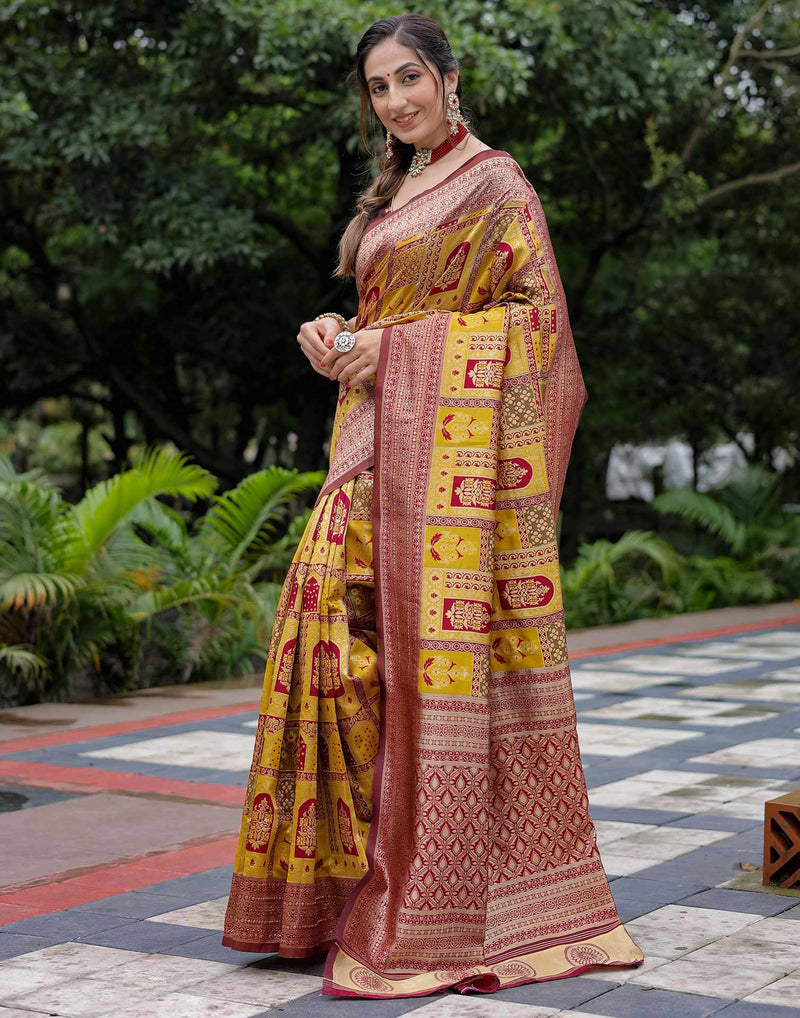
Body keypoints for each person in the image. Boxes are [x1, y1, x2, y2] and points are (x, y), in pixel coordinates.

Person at [222, 13, 644, 999]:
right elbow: (381, 324)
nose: (396, 100)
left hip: (435, 467)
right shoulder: (391, 193)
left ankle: (425, 886)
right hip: (367, 444)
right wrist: (338, 336)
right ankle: (326, 897)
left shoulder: (494, 184)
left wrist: (398, 352)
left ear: (449, 80)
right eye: (378, 88)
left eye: (409, 79)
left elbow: (541, 338)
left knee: (388, 660)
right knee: (320, 647)